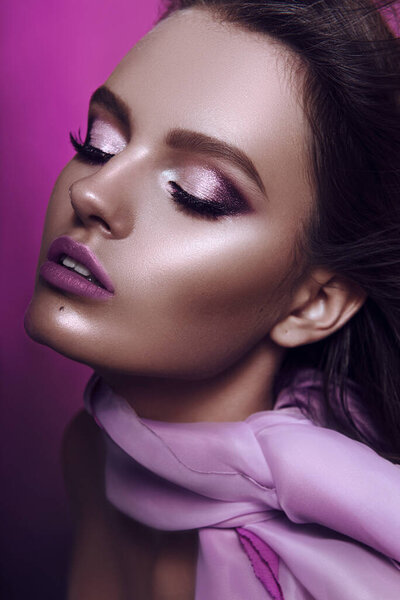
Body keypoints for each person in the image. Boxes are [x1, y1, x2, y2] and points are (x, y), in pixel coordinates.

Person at [24, 0, 400, 598]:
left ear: (314, 303)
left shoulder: (336, 582)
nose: (93, 191)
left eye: (195, 193)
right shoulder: (93, 453)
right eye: (99, 143)